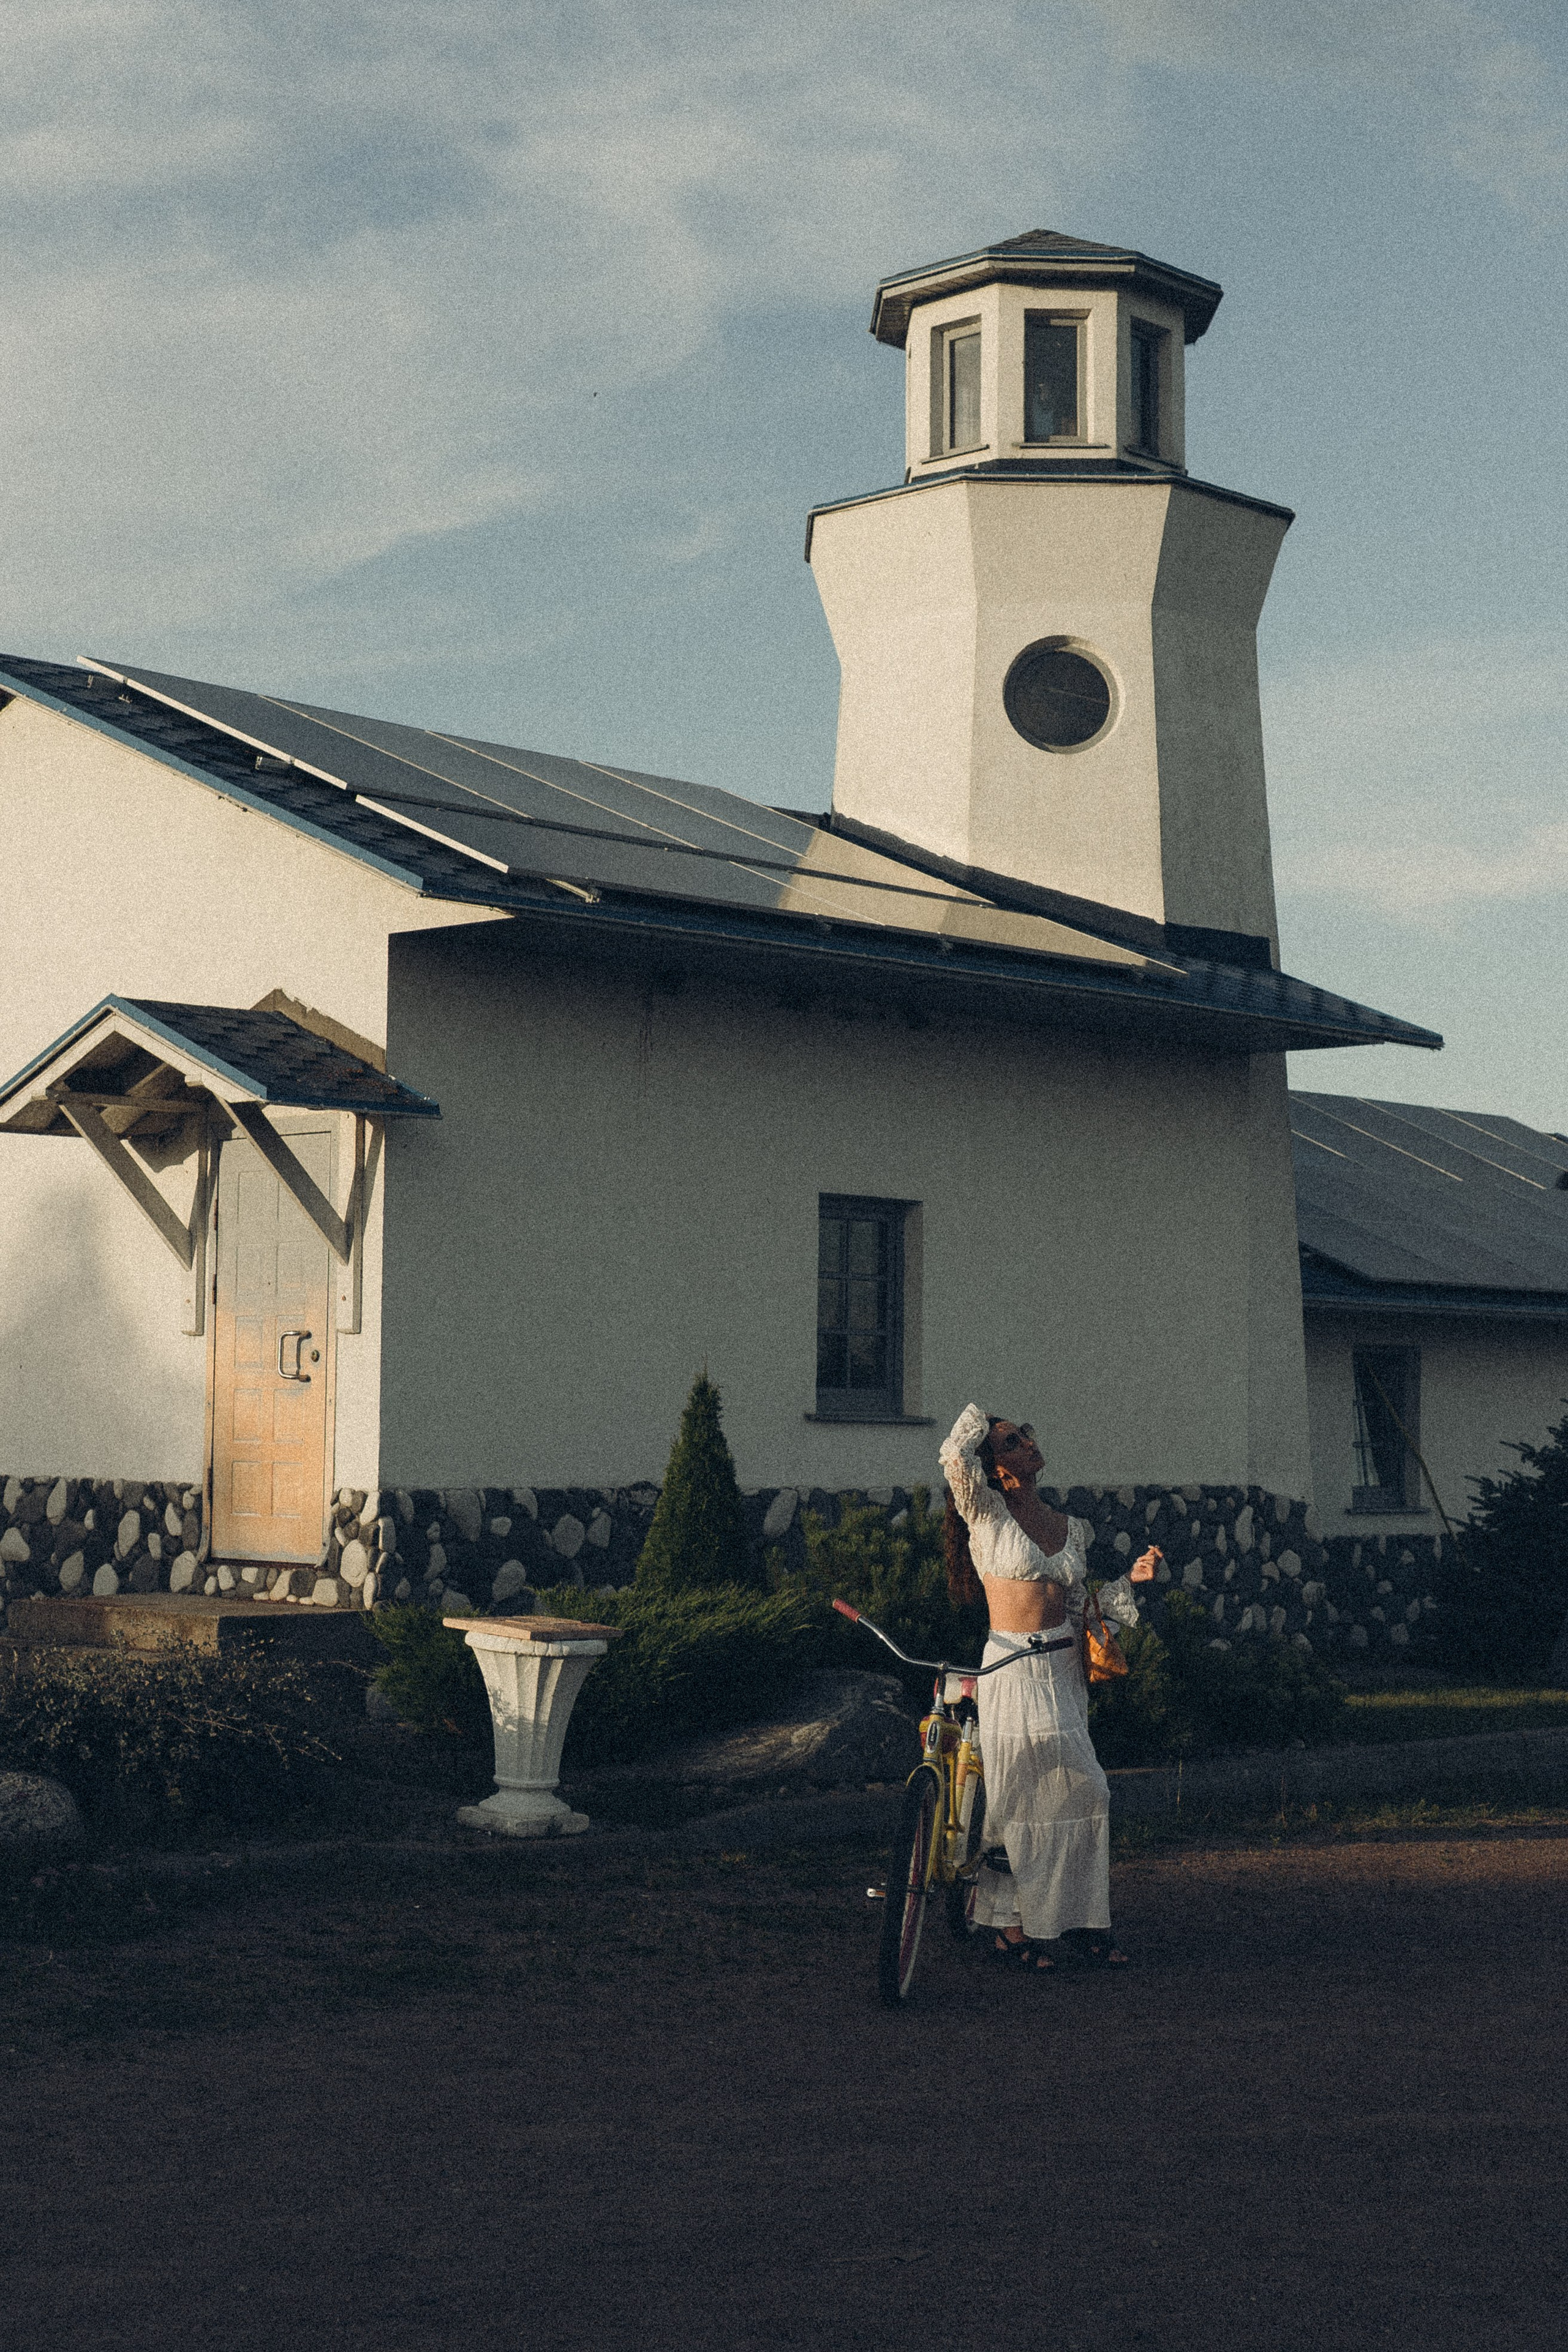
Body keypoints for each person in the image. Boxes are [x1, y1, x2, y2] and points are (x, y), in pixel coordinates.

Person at [939, 1401, 1159, 1972]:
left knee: (1087, 1792)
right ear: (998, 1469)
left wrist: (1129, 1582)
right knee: (1018, 1798)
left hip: (1062, 1669)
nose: (1029, 1444)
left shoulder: (1069, 1527)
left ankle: (1083, 1922)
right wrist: (982, 1421)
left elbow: (1080, 1612)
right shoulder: (984, 1513)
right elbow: (953, 1457)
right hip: (1011, 1667)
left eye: (1026, 1436)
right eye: (1013, 1443)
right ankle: (1013, 1930)